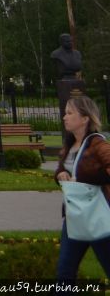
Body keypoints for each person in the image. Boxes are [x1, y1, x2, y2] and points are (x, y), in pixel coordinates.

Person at [54, 95, 110, 282]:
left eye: (70, 113)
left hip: (97, 217)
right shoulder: (69, 144)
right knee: (64, 273)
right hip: (74, 216)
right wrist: (61, 174)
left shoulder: (97, 144)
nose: (65, 117)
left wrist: (85, 179)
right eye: (65, 113)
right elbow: (61, 170)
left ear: (85, 118)